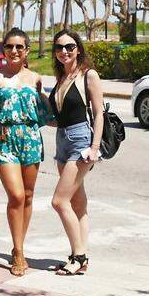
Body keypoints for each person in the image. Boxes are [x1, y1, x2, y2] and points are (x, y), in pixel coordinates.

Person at [0, 27, 50, 277]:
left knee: (28, 196)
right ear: (4, 50)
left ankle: (20, 244)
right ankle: (18, 252)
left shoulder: (35, 78)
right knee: (16, 196)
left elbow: (43, 114)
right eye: (10, 47)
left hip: (30, 140)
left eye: (19, 46)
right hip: (5, 140)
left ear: (27, 50)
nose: (14, 51)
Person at [47, 29, 104, 276]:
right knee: (78, 202)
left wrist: (93, 148)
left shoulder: (88, 75)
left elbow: (99, 113)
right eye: (59, 48)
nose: (64, 52)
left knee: (59, 201)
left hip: (81, 141)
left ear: (78, 49)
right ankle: (82, 255)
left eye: (69, 47)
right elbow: (58, 119)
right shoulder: (61, 78)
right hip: (62, 139)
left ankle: (78, 256)